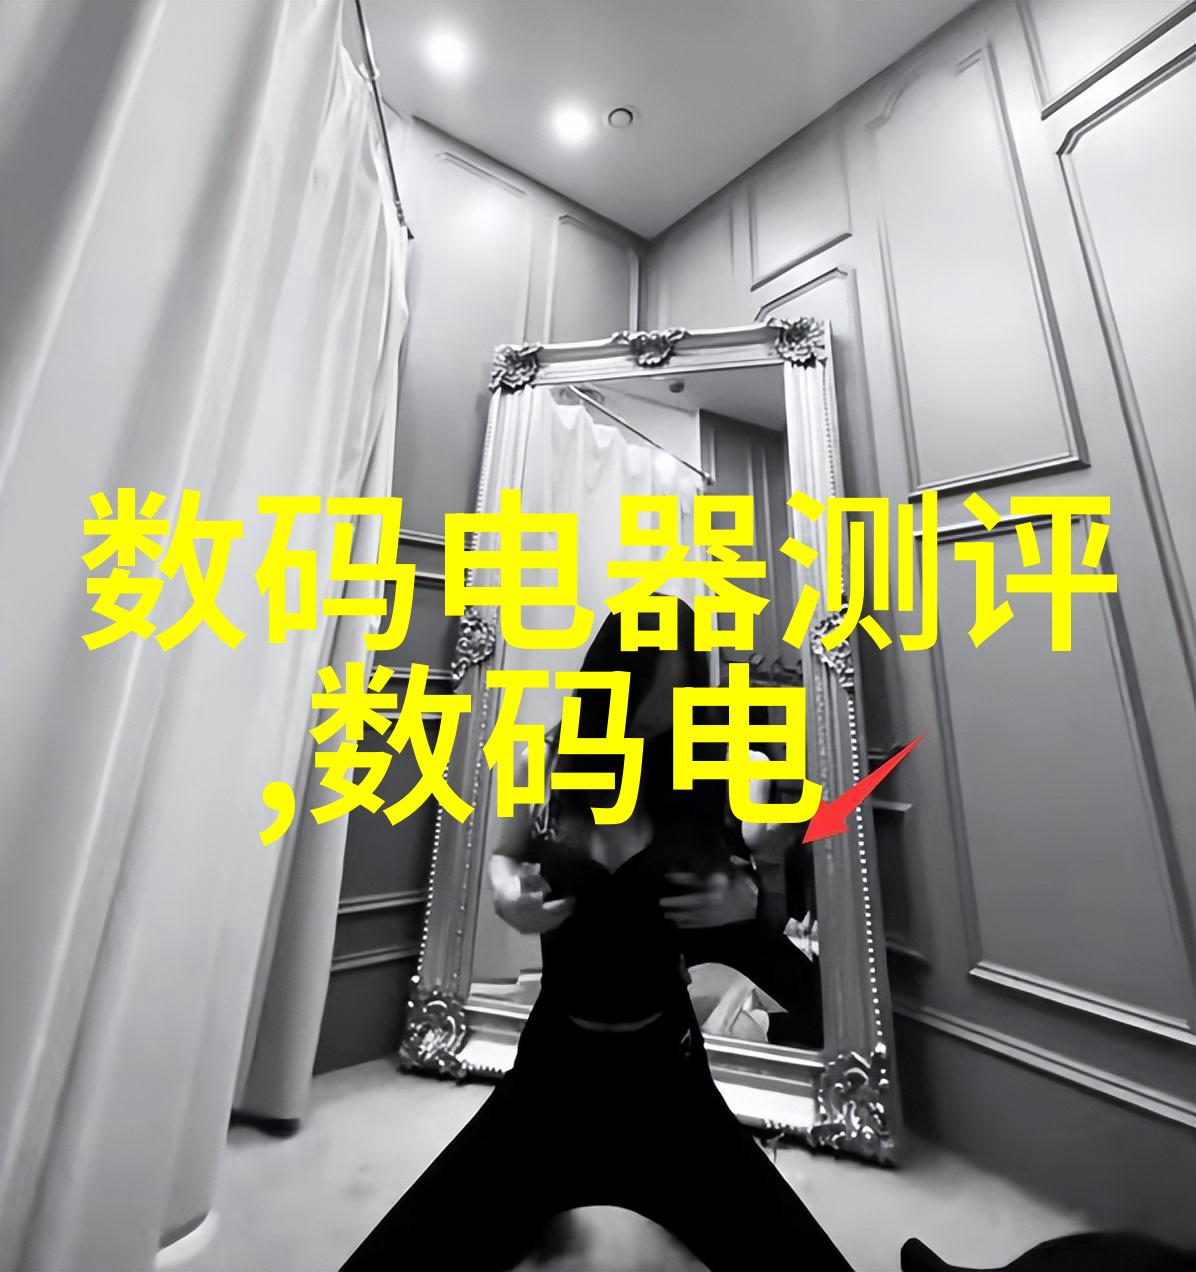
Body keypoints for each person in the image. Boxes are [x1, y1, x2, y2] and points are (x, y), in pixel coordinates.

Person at [339, 599, 851, 1272]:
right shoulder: (548, 757)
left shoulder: (708, 767)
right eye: (657, 680)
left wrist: (746, 897)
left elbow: (761, 870)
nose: (668, 703)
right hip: (556, 1065)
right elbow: (504, 857)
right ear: (617, 673)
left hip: (665, 1073)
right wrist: (506, 893)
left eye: (682, 681)